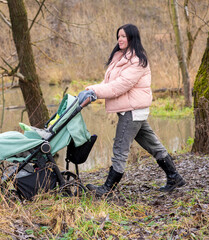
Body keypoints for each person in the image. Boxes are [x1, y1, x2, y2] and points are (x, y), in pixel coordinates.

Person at [78, 24, 186, 197]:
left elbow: (119, 86)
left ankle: (107, 189)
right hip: (135, 110)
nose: (120, 39)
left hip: (132, 111)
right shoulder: (121, 57)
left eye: (123, 36)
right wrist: (92, 89)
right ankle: (175, 177)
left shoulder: (137, 61)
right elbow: (109, 84)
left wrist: (94, 92)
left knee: (120, 148)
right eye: (118, 36)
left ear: (132, 38)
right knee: (154, 146)